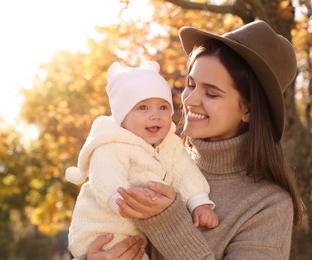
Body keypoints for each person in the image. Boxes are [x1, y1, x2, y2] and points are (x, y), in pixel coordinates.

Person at [85, 20, 305, 259]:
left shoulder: (269, 205)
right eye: (191, 85)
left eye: (211, 93)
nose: (189, 100)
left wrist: (166, 219)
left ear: (248, 110)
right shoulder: (153, 155)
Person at [66, 60, 218, 259]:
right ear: (122, 116)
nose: (155, 115)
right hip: (104, 226)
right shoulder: (111, 144)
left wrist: (199, 202)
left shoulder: (170, 144)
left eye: (163, 107)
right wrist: (118, 199)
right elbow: (104, 174)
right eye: (143, 108)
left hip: (139, 233)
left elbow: (186, 172)